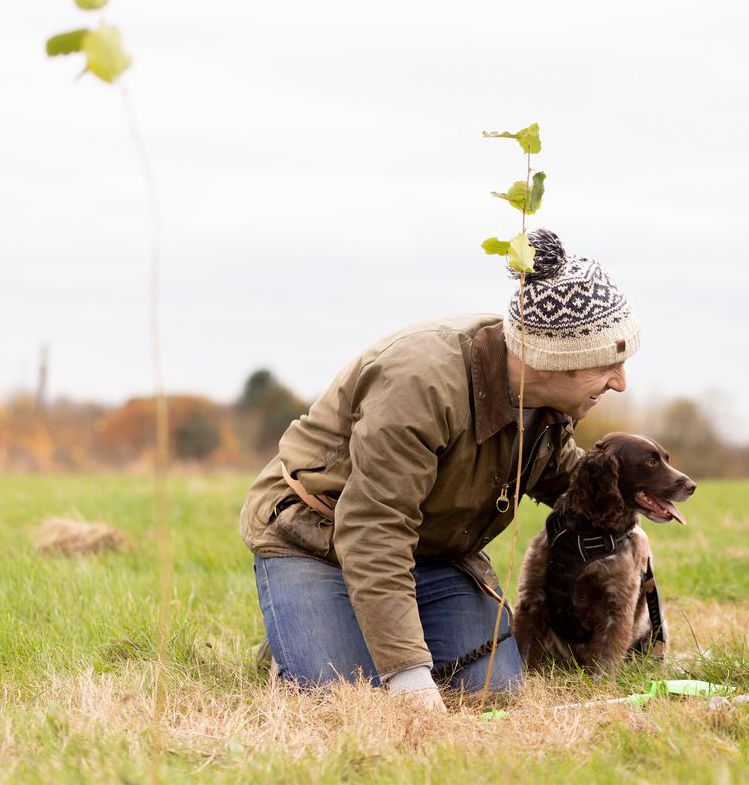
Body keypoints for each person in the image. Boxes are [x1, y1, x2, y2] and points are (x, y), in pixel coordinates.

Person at [239, 229, 642, 712]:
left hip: (433, 555)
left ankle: (357, 627)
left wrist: (624, 515)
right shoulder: (420, 385)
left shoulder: (546, 400)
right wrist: (408, 675)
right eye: (607, 364)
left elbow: (559, 472)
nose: (620, 382)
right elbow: (374, 528)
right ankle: (301, 631)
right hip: (317, 538)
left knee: (493, 689)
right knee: (347, 695)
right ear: (551, 361)